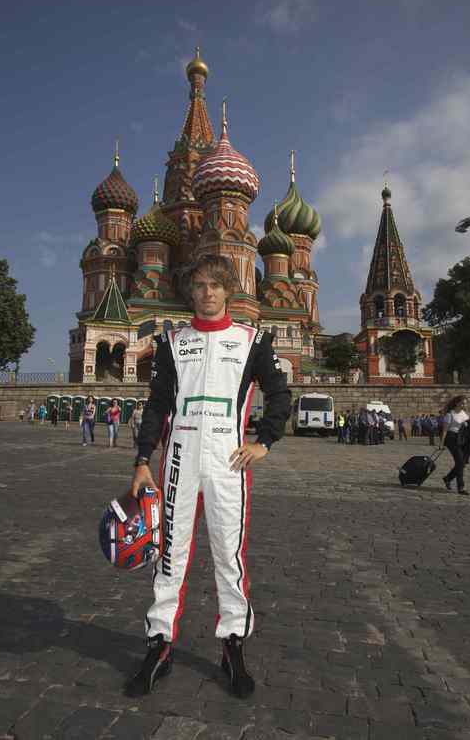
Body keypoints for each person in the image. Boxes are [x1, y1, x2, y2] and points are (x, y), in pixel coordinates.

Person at [126, 254, 291, 699]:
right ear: (191, 291)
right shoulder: (172, 341)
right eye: (199, 285)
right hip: (178, 459)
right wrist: (143, 459)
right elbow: (157, 405)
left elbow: (280, 396)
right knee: (169, 554)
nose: (207, 293)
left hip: (228, 461)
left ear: (228, 290)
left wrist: (265, 442)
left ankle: (232, 643)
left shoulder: (253, 340)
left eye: (215, 285)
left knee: (228, 555)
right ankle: (159, 643)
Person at [439, 395, 470, 495]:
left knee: (462, 463)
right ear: (457, 403)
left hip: (462, 438)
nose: (464, 405)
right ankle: (461, 487)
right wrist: (441, 443)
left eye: (465, 403)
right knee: (460, 462)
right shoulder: (450, 414)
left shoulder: (464, 414)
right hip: (451, 439)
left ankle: (448, 478)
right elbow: (444, 431)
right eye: (462, 403)